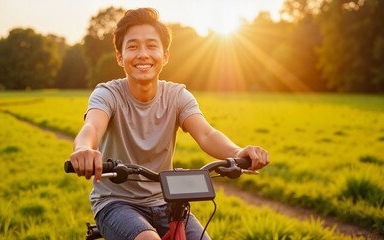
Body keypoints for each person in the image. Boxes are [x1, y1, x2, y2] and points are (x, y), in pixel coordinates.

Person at [69, 7, 269, 240]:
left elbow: (206, 134)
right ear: (120, 57)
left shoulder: (177, 96)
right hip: (116, 203)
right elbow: (92, 127)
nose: (143, 54)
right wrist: (84, 149)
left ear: (165, 56)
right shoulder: (107, 93)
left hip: (166, 201)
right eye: (133, 46)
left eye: (152, 46)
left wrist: (237, 152)